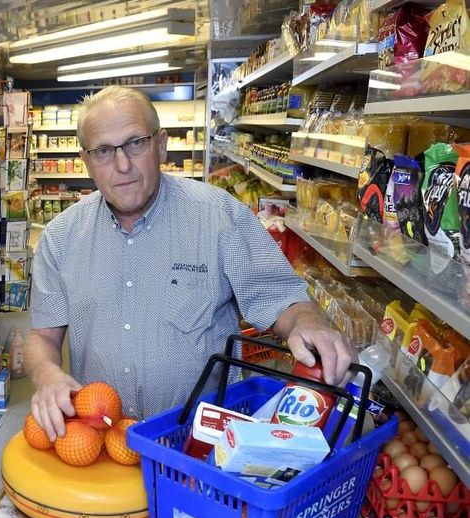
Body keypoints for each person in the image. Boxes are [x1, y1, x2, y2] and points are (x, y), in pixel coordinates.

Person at [28, 86, 355, 440]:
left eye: (136, 142)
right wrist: (46, 373)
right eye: (103, 151)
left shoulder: (220, 217)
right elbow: (44, 335)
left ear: (161, 145)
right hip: (101, 445)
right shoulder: (61, 237)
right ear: (86, 160)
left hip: (199, 446)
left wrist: (308, 321)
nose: (122, 165)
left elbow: (285, 304)